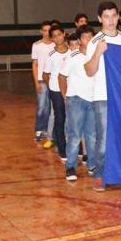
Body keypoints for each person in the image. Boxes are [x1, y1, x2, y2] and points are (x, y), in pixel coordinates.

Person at [85, 1, 121, 192]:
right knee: (103, 139)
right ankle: (100, 174)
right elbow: (89, 71)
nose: (110, 20)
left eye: (113, 15)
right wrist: (98, 53)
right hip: (102, 96)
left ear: (119, 16)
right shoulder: (94, 42)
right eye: (106, 16)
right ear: (99, 19)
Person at [59, 26, 96, 181]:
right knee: (74, 136)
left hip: (93, 100)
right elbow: (61, 77)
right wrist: (66, 97)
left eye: (90, 37)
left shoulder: (97, 56)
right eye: (85, 37)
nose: (88, 40)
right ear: (79, 40)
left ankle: (93, 165)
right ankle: (71, 167)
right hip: (76, 100)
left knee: (92, 136)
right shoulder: (73, 58)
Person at [43, 26, 71, 161]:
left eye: (59, 34)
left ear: (64, 34)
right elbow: (45, 74)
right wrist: (53, 88)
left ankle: (77, 147)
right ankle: (62, 147)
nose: (58, 38)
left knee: (72, 118)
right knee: (60, 118)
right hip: (56, 91)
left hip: (72, 89)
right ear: (52, 38)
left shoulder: (72, 51)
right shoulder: (51, 55)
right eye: (54, 36)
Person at [31, 21, 54, 144]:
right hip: (41, 80)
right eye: (44, 30)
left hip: (53, 81)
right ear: (41, 31)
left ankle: (50, 131)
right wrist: (36, 82)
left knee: (52, 107)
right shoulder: (36, 45)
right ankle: (40, 130)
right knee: (41, 106)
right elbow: (34, 64)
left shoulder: (55, 45)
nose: (47, 33)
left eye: (49, 30)